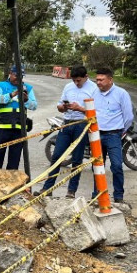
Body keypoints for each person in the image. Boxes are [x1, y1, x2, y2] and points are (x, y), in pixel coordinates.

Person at [39, 65, 97, 198]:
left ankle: (71, 191)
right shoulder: (68, 87)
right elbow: (59, 106)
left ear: (86, 77)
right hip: (66, 123)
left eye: (79, 81)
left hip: (82, 124)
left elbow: (96, 111)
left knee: (77, 159)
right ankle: (47, 189)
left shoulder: (94, 89)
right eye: (74, 80)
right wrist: (63, 107)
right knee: (57, 156)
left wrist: (80, 108)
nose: (76, 83)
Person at [92, 68, 134, 205]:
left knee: (116, 165)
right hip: (97, 135)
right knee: (97, 166)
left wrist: (121, 131)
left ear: (110, 80)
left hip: (113, 135)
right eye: (97, 79)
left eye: (101, 80)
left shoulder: (121, 94)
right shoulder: (94, 93)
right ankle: (97, 194)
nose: (98, 82)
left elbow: (128, 117)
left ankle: (118, 196)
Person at [0, 66, 37, 171]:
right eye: (16, 76)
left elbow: (34, 106)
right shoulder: (1, 86)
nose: (18, 79)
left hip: (19, 131)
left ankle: (10, 186)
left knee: (14, 162)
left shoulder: (27, 88)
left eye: (21, 77)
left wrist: (26, 100)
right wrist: (11, 95)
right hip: (2, 129)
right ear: (10, 73)